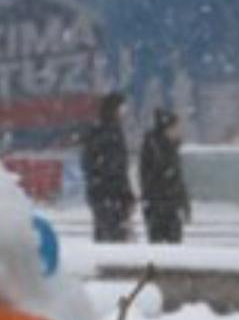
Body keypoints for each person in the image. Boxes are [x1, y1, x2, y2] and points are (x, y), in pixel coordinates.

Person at [80, 91, 137, 245]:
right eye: (122, 108)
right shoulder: (110, 133)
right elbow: (117, 168)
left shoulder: (97, 131)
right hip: (111, 195)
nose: (124, 112)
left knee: (104, 237)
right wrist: (125, 194)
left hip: (101, 194)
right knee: (115, 239)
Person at [139, 105, 190, 247]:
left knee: (171, 249)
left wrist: (185, 204)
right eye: (176, 128)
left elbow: (178, 180)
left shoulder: (170, 149)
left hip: (169, 207)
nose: (179, 131)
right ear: (167, 128)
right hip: (161, 207)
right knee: (161, 249)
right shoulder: (156, 148)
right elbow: (154, 178)